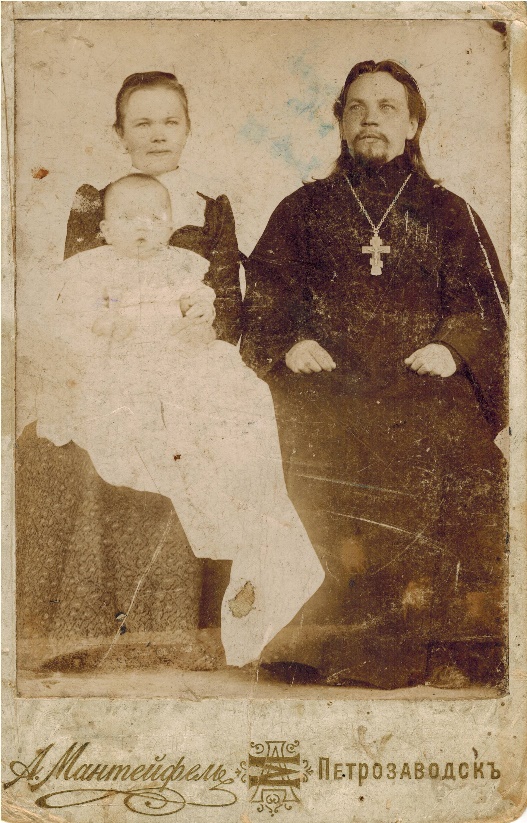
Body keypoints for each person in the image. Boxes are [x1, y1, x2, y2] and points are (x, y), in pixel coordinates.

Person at [241, 60, 508, 689]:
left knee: (466, 463)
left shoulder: (449, 212)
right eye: (357, 108)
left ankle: (451, 644)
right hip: (330, 388)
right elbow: (266, 296)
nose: (371, 119)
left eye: (387, 107)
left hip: (424, 387)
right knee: (320, 458)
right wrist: (290, 342)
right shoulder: (301, 209)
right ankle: (334, 645)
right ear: (339, 122)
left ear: (413, 124)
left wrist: (452, 348)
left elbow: (487, 305)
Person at [30, 172, 323, 668]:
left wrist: (198, 318)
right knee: (134, 413)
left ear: (169, 226)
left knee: (240, 396)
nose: (142, 227)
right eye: (127, 218)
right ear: (104, 229)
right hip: (119, 362)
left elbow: (199, 305)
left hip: (176, 358)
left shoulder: (179, 265)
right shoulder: (90, 269)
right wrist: (100, 323)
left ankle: (256, 541)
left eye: (154, 217)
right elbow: (67, 318)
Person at [16, 72, 242, 664]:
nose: (157, 134)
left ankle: (182, 625)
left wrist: (200, 332)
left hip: (185, 360)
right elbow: (77, 295)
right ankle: (86, 624)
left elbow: (224, 300)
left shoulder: (209, 205)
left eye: (170, 121)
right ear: (119, 133)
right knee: (65, 443)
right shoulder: (94, 200)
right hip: (111, 360)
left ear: (188, 129)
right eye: (142, 122)